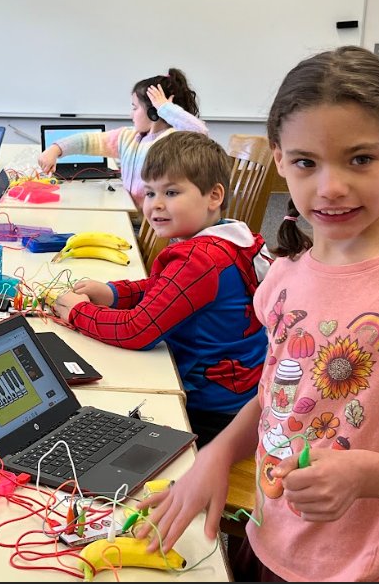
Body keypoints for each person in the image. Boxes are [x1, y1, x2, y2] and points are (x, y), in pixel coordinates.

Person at [135, 46, 379, 582]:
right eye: (305, 162)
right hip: (267, 542)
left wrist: (365, 473)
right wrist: (218, 455)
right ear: (279, 160)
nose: (330, 187)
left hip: (365, 570)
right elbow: (275, 397)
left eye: (360, 159)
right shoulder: (288, 273)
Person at [52, 132, 271, 445]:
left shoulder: (200, 259)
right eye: (150, 192)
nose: (155, 205)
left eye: (171, 192)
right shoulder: (226, 239)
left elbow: (136, 331)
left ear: (214, 195)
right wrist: (113, 294)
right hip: (241, 403)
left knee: (88, 419)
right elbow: (166, 289)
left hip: (212, 415)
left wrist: (78, 312)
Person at [37, 69, 207, 208]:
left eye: (135, 108)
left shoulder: (172, 141)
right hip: (127, 211)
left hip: (149, 223)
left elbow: (200, 134)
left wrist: (165, 108)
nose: (130, 114)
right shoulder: (129, 136)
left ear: (153, 112)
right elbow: (89, 141)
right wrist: (56, 149)